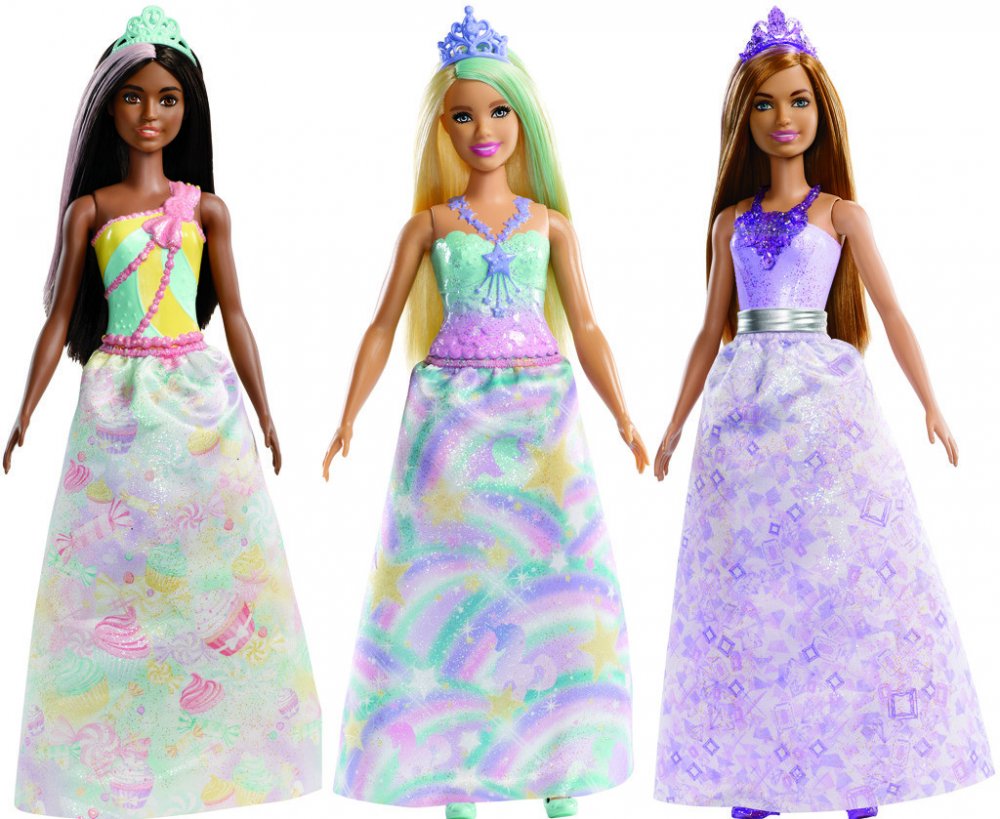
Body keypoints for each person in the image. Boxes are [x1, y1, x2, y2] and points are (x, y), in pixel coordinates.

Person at [652, 8, 993, 818]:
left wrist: (933, 403)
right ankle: (755, 777)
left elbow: (893, 313)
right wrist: (673, 423)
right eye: (766, 103)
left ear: (821, 110)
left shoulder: (842, 215)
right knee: (750, 592)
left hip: (826, 408)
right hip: (742, 412)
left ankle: (855, 770)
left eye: (799, 100)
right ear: (744, 118)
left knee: (841, 584)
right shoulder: (731, 223)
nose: (784, 118)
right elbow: (708, 328)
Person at [325, 7, 647, 818]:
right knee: (455, 589)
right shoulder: (430, 226)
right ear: (444, 126)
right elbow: (381, 325)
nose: (483, 130)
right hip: (452, 416)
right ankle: (457, 772)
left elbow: (588, 326)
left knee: (553, 589)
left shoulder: (551, 225)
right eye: (464, 115)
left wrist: (624, 415)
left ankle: (559, 765)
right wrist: (348, 415)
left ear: (523, 119)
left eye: (499, 111)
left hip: (540, 415)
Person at [8, 7, 320, 815]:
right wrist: (25, 410)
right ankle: (118, 764)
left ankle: (209, 761)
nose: (151, 114)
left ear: (190, 109)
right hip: (115, 403)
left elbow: (236, 315)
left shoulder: (206, 210)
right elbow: (58, 320)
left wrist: (266, 409)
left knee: (211, 577)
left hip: (198, 401)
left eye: (168, 98)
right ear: (108, 106)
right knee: (114, 583)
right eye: (134, 97)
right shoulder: (91, 210)